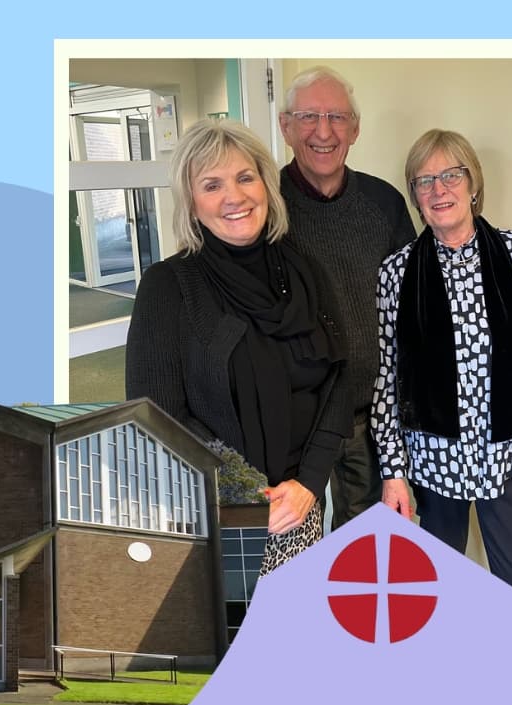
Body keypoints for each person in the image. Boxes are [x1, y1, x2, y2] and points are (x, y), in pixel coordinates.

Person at [125, 119, 353, 575]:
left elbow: (338, 379)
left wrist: (309, 484)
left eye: (245, 177)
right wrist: (247, 493)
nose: (235, 196)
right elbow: (156, 417)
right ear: (191, 203)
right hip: (215, 517)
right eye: (212, 184)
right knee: (229, 644)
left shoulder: (306, 271)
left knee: (292, 640)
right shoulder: (169, 287)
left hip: (298, 511)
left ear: (266, 185)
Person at [371, 129, 512, 607]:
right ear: (415, 196)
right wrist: (394, 473)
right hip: (432, 465)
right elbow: (386, 380)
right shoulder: (396, 273)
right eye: (424, 181)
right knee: (428, 599)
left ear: (472, 184)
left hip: (510, 457)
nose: (439, 190)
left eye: (450, 175)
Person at [278, 65, 416, 530]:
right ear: (286, 126)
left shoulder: (385, 204)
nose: (323, 131)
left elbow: (410, 305)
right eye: (309, 116)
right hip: (294, 423)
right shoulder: (264, 207)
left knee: (360, 549)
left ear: (355, 129)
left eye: (337, 117)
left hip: (369, 417)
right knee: (292, 549)